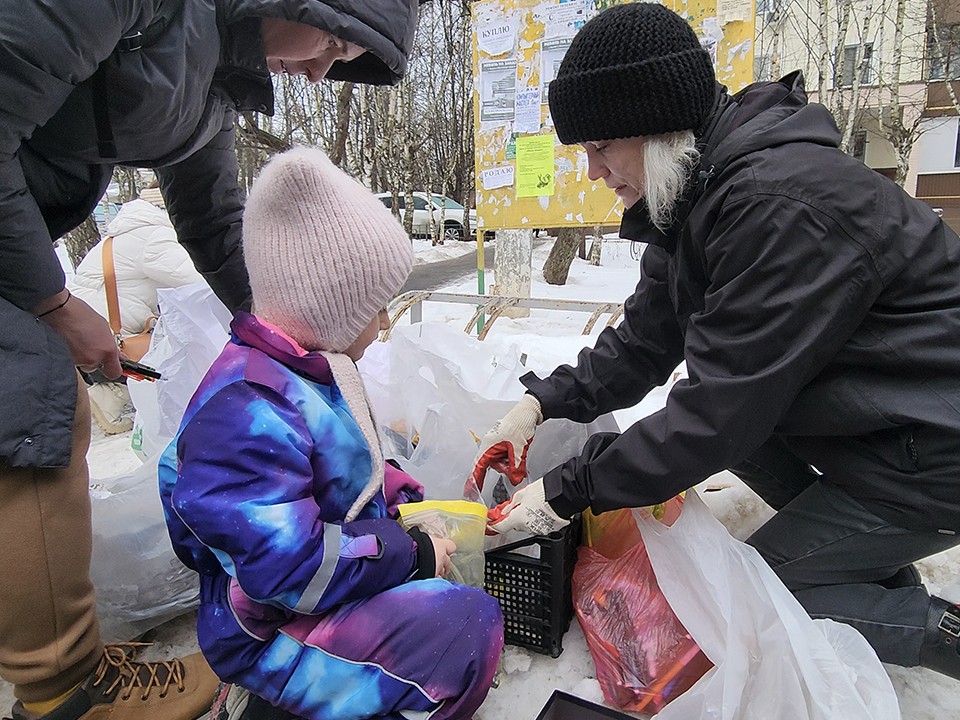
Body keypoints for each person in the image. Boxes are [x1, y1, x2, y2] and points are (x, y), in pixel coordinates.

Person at [472, 2, 960, 681]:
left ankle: (943, 631)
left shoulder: (778, 207)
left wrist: (571, 487)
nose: (592, 171)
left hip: (935, 452)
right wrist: (543, 404)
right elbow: (645, 342)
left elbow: (720, 416)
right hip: (884, 423)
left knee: (760, 599)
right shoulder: (700, 193)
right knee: (715, 423)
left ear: (653, 125)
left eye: (599, 147)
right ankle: (871, 564)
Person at [0, 1, 420, 718]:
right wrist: (51, 303)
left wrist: (304, 331)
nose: (320, 71)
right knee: (35, 397)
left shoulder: (214, 78)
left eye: (342, 63)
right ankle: (64, 690)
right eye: (330, 41)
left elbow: (216, 223)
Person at [159, 147, 504, 720]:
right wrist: (412, 553)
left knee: (453, 612)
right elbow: (286, 570)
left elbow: (342, 466)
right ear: (332, 305)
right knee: (465, 630)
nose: (385, 323)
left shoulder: (308, 370)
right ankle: (278, 702)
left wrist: (396, 493)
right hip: (266, 632)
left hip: (314, 592)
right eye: (376, 308)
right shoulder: (246, 407)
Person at [71, 187, 204, 434]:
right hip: (112, 335)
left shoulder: (121, 236)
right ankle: (112, 394)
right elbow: (195, 279)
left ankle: (112, 390)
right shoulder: (153, 235)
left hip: (85, 329)